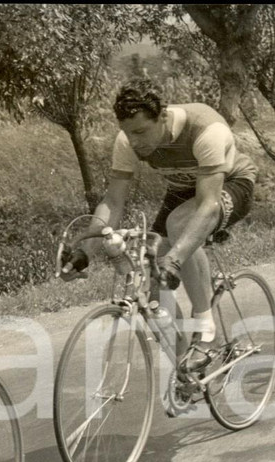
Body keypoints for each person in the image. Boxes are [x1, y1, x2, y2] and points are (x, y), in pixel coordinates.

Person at [60, 78, 258, 370]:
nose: (135, 141)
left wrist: (175, 259)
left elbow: (206, 205)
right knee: (148, 276)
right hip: (181, 189)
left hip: (229, 185)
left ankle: (206, 334)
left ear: (163, 116)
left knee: (178, 228)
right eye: (129, 133)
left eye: (141, 131)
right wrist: (85, 250)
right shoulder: (128, 140)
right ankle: (185, 368)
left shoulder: (207, 130)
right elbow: (113, 202)